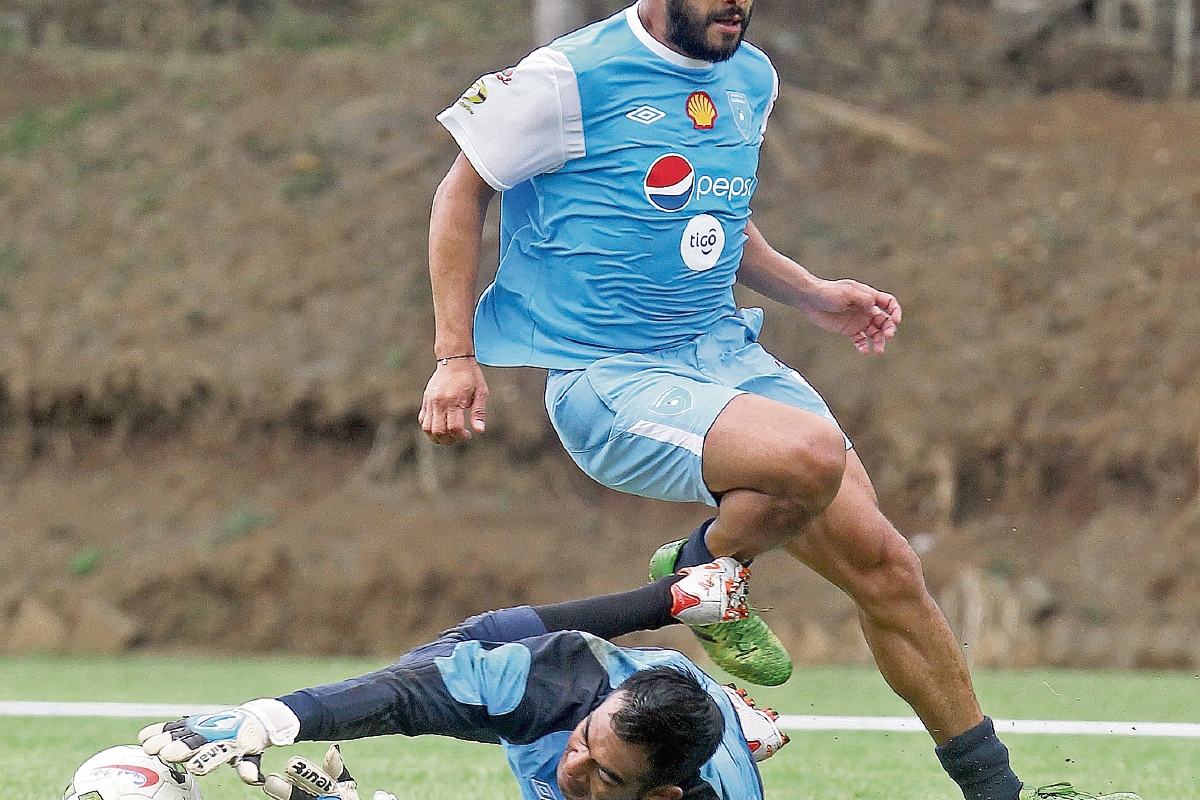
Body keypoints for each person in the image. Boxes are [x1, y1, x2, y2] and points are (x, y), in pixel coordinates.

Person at [414, 2, 1146, 800]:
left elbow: (719, 216)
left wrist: (811, 293)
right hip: (607, 377)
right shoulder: (564, 77)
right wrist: (456, 355)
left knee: (889, 568)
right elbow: (460, 195)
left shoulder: (750, 78)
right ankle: (703, 572)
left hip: (724, 356)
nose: (735, 4)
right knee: (811, 453)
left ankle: (996, 792)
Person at [140, 559, 788, 800]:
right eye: (587, 743)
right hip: (576, 680)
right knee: (434, 661)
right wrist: (264, 719)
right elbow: (402, 698)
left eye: (605, 777)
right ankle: (677, 598)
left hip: (654, 722)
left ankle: (717, 709)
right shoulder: (551, 689)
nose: (575, 768)